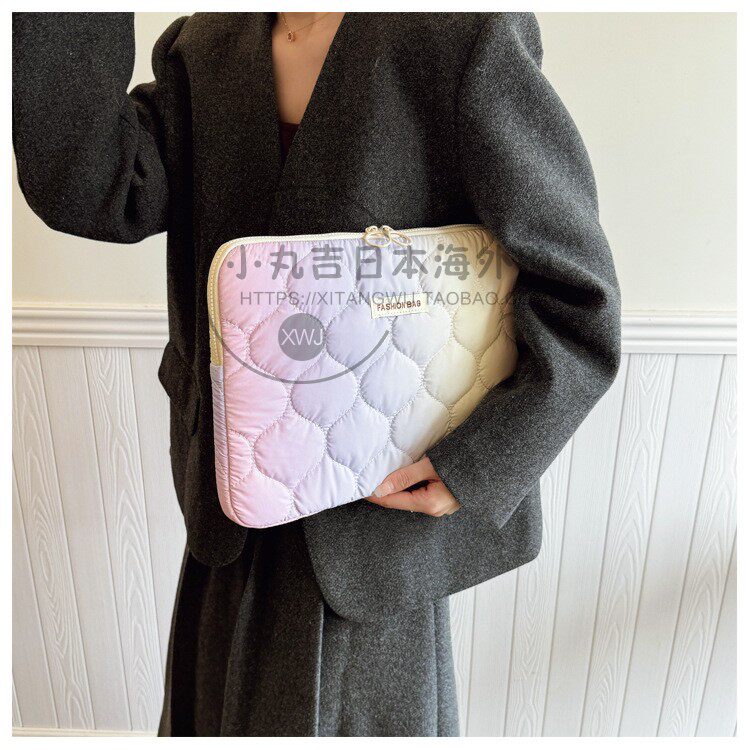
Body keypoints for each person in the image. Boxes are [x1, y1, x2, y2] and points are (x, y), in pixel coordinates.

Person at [12, 11, 621, 736]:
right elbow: (95, 187)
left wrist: (478, 463)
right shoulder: (205, 46)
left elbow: (578, 294)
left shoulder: (458, 34)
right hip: (231, 521)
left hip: (374, 528)